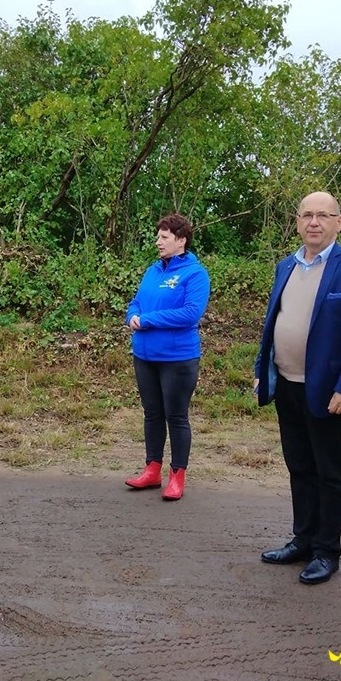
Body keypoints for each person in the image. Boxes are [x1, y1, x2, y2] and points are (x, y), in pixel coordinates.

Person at [254, 191, 341, 585]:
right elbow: (273, 322)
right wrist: (263, 368)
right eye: (307, 214)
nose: (314, 222)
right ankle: (302, 539)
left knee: (329, 472)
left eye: (323, 215)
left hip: (328, 391)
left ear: (339, 222)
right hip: (287, 384)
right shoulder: (285, 265)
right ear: (297, 221)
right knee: (299, 466)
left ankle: (327, 550)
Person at [124, 214, 210, 501]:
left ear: (181, 240)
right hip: (145, 355)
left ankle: (177, 476)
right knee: (152, 414)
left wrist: (147, 320)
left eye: (164, 237)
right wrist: (132, 315)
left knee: (176, 416)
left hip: (178, 358)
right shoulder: (152, 271)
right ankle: (152, 470)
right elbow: (137, 300)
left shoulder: (195, 274)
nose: (158, 241)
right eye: (158, 236)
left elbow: (190, 313)